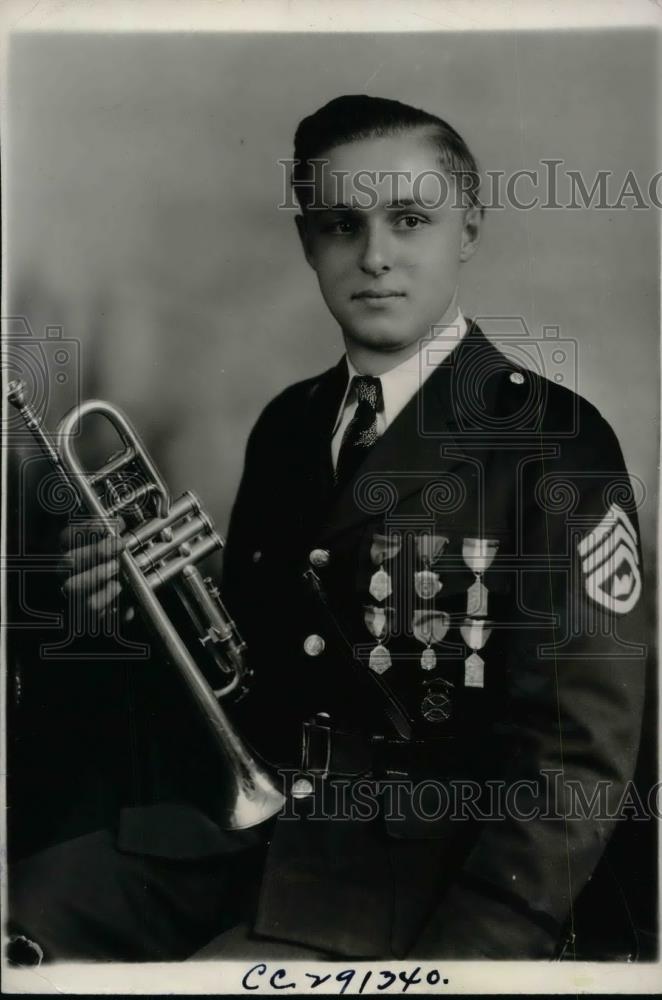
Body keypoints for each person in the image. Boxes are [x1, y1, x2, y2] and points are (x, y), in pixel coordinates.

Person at [8, 94, 648, 963]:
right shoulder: (289, 426)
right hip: (260, 838)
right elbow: (250, 686)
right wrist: (137, 607)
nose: (375, 256)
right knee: (28, 909)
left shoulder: (556, 445)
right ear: (307, 242)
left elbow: (575, 759)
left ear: (469, 228)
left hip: (425, 876)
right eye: (342, 224)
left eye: (410, 219)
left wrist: (488, 947)